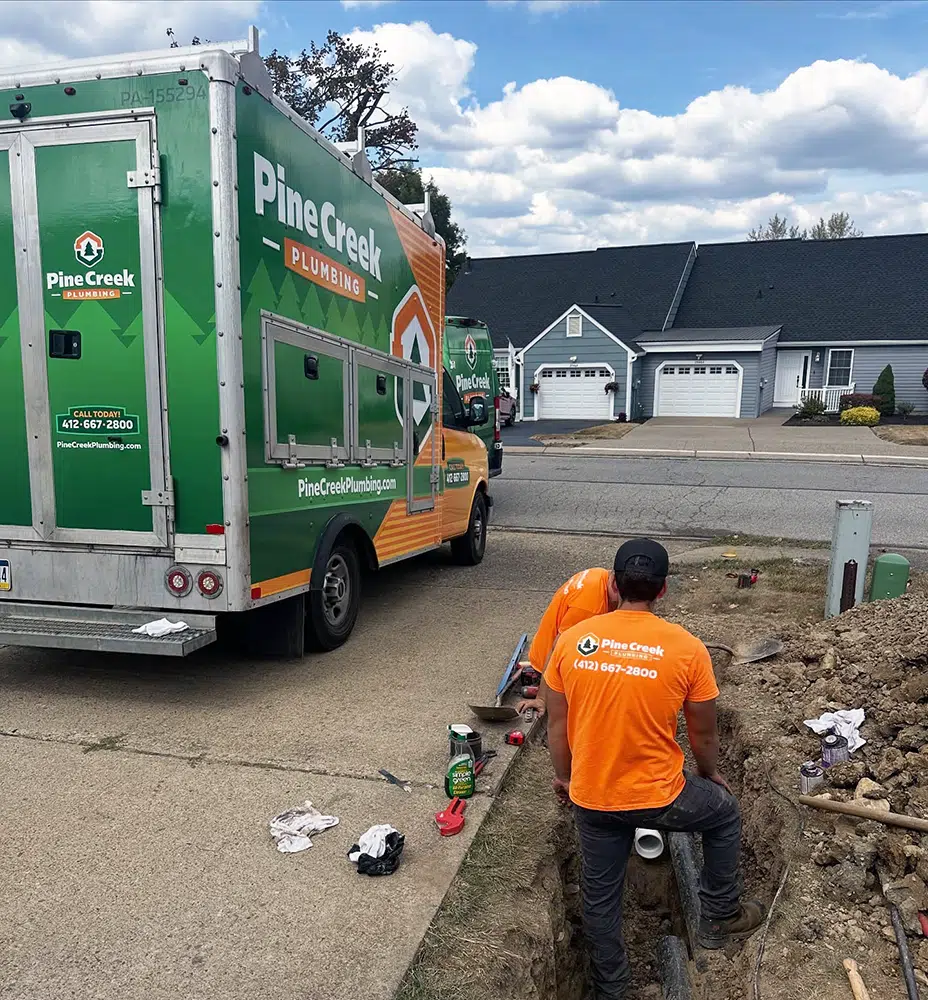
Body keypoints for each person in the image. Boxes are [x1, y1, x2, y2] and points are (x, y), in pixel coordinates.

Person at [544, 538, 765, 1000]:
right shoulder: (685, 648)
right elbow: (703, 734)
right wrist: (711, 774)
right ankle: (720, 914)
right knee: (723, 813)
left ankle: (612, 990)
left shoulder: (570, 643)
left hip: (595, 799)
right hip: (663, 798)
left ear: (614, 584)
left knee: (600, 899)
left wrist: (567, 779)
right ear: (662, 590)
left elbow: (558, 728)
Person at [516, 566, 619, 718]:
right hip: (548, 664)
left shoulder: (600, 575)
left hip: (543, 651)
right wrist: (543, 698)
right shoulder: (590, 606)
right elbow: (558, 647)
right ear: (616, 585)